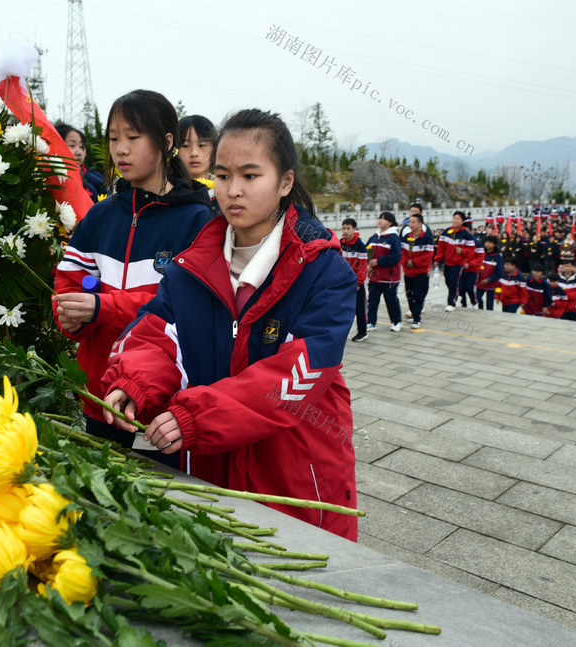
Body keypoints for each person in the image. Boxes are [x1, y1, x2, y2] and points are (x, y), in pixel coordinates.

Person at [100, 109, 359, 540]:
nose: (232, 190)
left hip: (291, 474)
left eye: (250, 176)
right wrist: (134, 383)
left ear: (285, 183)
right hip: (207, 466)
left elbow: (293, 381)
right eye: (222, 175)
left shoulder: (324, 272)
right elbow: (156, 337)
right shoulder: (191, 268)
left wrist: (194, 417)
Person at [53, 90, 214, 465]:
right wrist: (73, 318)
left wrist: (103, 307)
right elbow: (71, 283)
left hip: (163, 407)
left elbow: (185, 310)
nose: (120, 149)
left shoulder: (196, 220)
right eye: (113, 138)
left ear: (166, 142)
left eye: (132, 137)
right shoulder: (100, 216)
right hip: (99, 397)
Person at [366, 211, 403, 331]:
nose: (380, 221)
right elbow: (366, 251)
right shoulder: (375, 236)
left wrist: (378, 261)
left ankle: (397, 321)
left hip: (389, 277)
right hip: (375, 276)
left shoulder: (393, 237)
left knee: (391, 300)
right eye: (379, 218)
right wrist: (368, 264)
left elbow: (396, 256)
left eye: (384, 219)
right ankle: (371, 322)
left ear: (390, 222)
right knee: (372, 300)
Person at [435, 211, 476, 311]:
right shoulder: (447, 232)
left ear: (462, 221)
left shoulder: (466, 234)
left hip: (458, 263)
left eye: (458, 219)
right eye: (454, 218)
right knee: (448, 281)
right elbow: (441, 247)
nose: (455, 220)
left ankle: (451, 303)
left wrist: (462, 251)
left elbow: (472, 250)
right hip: (447, 262)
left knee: (453, 282)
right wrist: (437, 259)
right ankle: (455, 294)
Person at [55, 123, 105, 200]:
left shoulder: (96, 178)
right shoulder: (47, 181)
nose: (79, 152)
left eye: (81, 147)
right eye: (72, 145)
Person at [400, 211, 433, 329]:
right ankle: (414, 314)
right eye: (410, 222)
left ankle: (417, 318)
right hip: (408, 272)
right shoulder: (406, 238)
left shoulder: (427, 238)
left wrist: (414, 262)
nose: (411, 224)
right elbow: (402, 252)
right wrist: (405, 262)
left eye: (414, 222)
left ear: (420, 223)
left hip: (421, 273)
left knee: (419, 296)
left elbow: (428, 255)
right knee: (410, 295)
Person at [340, 218, 369, 341]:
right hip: (343, 283)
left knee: (359, 309)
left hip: (356, 284)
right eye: (344, 228)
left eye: (348, 228)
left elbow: (362, 266)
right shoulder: (341, 242)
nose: (345, 231)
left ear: (354, 229)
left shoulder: (360, 245)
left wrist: (358, 283)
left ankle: (362, 332)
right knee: (341, 309)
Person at [177, 115, 217, 184]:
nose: (194, 153)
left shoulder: (226, 190)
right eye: (186, 146)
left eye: (202, 145)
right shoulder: (165, 191)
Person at [475, 235, 504, 311]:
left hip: (491, 284)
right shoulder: (482, 254)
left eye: (490, 243)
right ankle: (480, 310)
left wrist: (489, 279)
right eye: (486, 242)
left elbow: (499, 272)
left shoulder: (497, 257)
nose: (487, 244)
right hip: (480, 282)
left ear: (494, 244)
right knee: (477, 299)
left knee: (489, 305)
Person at [460, 233, 484, 307]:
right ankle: (463, 304)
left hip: (473, 270)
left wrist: (470, 264)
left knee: (469, 287)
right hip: (462, 269)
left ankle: (474, 302)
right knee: (461, 288)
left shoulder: (477, 243)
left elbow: (480, 257)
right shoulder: (461, 242)